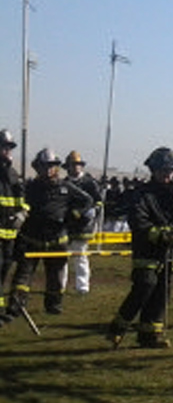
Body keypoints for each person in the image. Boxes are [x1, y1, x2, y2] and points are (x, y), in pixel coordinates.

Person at [107, 147, 173, 348]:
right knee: (144, 287)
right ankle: (117, 328)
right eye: (163, 169)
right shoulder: (141, 194)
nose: (167, 174)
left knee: (161, 294)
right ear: (153, 170)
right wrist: (161, 234)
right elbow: (139, 221)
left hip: (169, 253)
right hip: (146, 251)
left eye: (170, 170)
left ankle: (149, 335)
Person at [6, 149, 93, 318]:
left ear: (56, 168)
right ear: (37, 168)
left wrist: (75, 214)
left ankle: (53, 305)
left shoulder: (66, 187)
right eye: (43, 166)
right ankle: (16, 306)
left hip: (57, 241)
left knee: (56, 277)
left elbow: (87, 200)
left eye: (51, 166)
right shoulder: (30, 188)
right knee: (22, 276)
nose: (47, 170)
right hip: (31, 239)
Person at [60, 151, 102, 296]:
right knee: (62, 256)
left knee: (80, 256)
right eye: (73, 165)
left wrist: (91, 212)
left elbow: (98, 201)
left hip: (84, 224)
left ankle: (82, 286)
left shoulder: (89, 183)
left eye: (78, 164)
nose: (76, 167)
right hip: (67, 224)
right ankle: (60, 285)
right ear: (68, 167)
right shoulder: (64, 183)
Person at [0, 130, 23, 326]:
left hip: (9, 233)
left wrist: (22, 214)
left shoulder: (12, 173)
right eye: (4, 147)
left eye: (9, 147)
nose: (8, 151)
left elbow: (22, 199)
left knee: (3, 273)